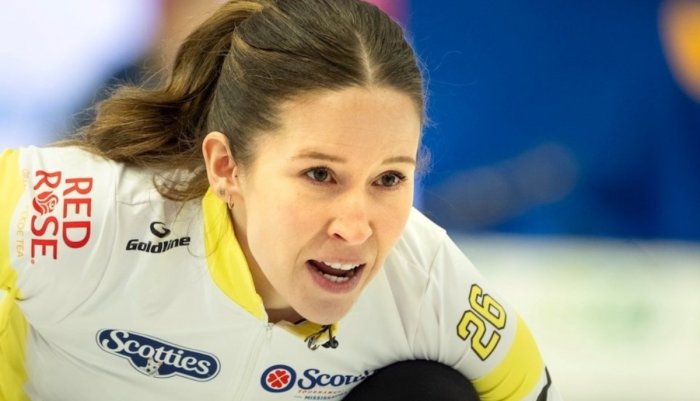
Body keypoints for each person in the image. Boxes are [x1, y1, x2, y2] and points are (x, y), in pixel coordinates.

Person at [0, 1, 561, 400]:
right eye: (320, 174)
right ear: (226, 167)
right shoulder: (90, 215)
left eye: (389, 179)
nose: (356, 227)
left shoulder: (427, 285)